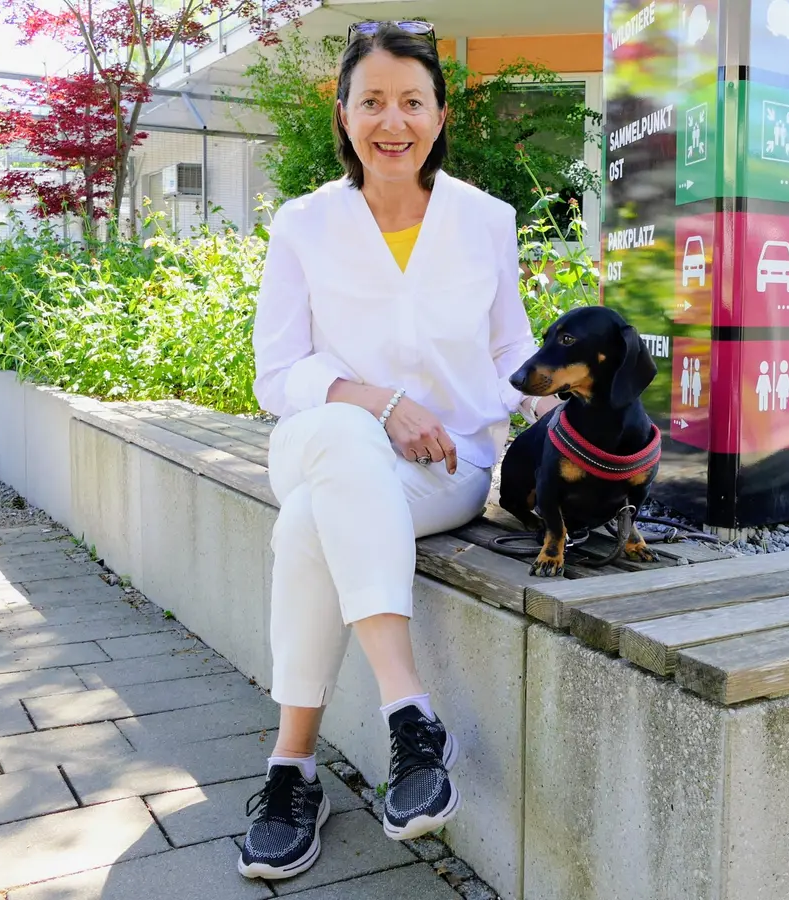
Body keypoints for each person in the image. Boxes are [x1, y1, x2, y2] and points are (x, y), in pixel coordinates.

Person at [237, 20, 561, 881]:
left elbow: (507, 358)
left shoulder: (485, 220)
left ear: (439, 114)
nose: (393, 120)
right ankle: (409, 715)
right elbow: (277, 374)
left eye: (412, 101)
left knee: (310, 525)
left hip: (442, 471)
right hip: (317, 439)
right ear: (341, 114)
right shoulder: (304, 225)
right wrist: (380, 403)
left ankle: (291, 770)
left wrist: (562, 393)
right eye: (372, 100)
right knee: (340, 443)